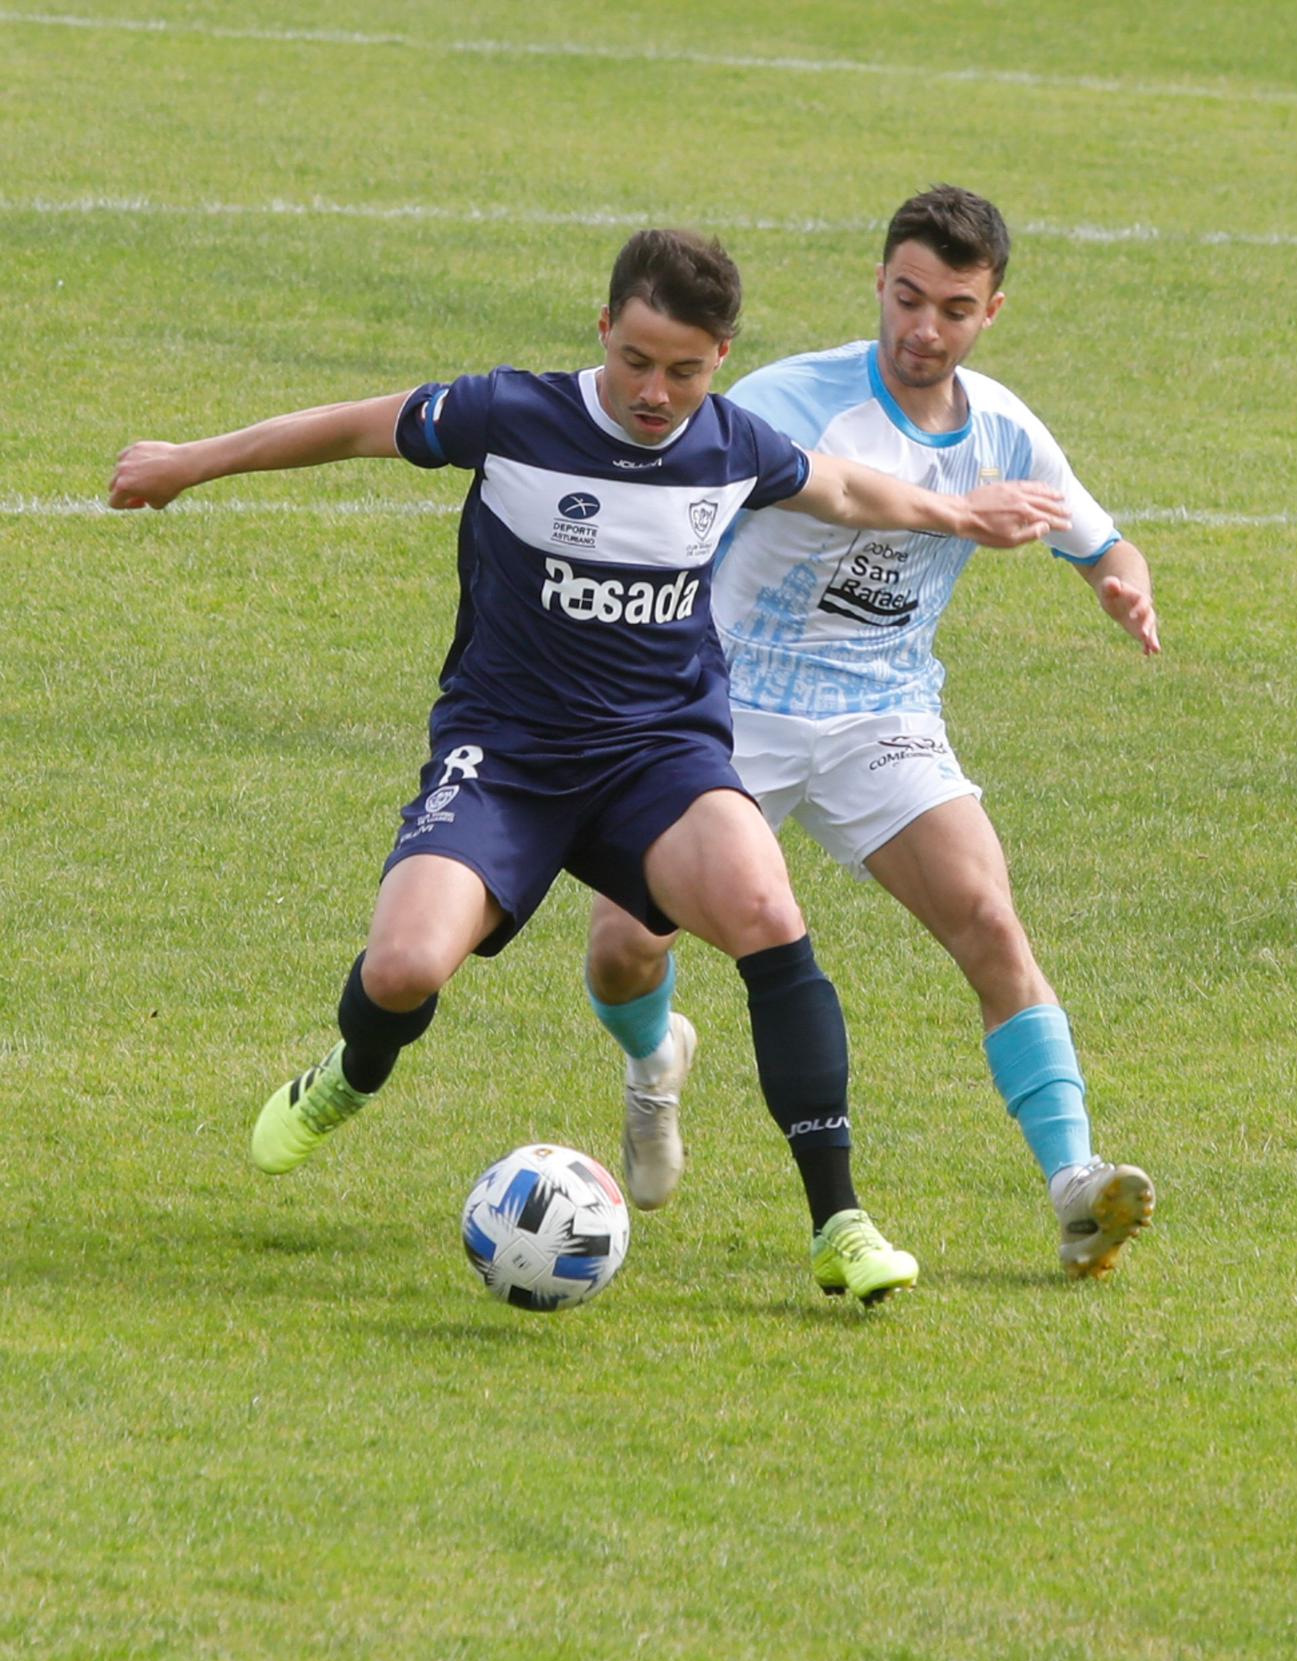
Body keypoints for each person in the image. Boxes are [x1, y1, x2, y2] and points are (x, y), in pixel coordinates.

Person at [109, 226, 1070, 1307]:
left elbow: (845, 491)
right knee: (404, 970)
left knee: (766, 905)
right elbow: (351, 427)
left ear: (720, 359)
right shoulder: (510, 415)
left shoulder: (730, 444)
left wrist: (959, 512)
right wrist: (190, 461)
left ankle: (839, 1222)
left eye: (686, 371)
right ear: (605, 329)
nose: (657, 392)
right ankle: (350, 1073)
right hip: (508, 756)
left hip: (659, 759)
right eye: (638, 361)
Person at [584, 191, 1157, 1281]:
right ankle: (656, 1059)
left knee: (989, 919)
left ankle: (1076, 1186)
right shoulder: (791, 399)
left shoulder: (1001, 427)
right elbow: (663, 514)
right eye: (906, 298)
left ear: (991, 310)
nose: (922, 329)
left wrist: (1123, 588)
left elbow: (1102, 541)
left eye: (952, 306)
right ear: (879, 288)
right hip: (726, 709)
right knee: (623, 944)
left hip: (880, 715)